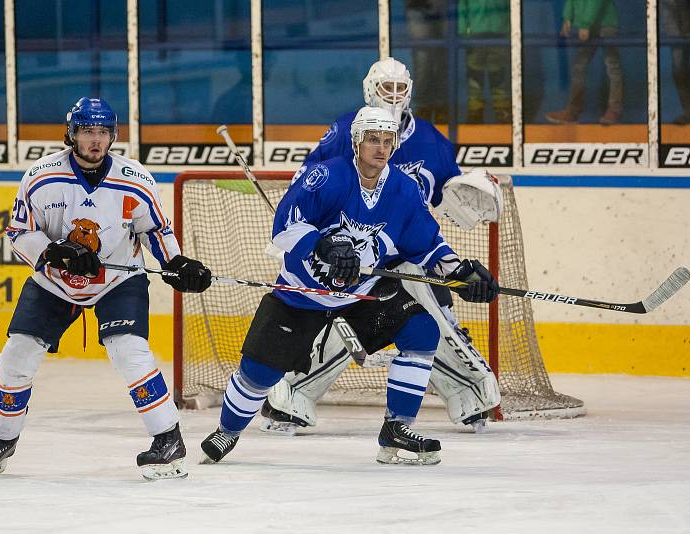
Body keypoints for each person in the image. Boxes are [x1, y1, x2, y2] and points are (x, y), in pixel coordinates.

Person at [199, 106, 500, 466]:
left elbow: (426, 244)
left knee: (421, 330)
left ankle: (397, 428)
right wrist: (321, 244)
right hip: (304, 294)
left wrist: (461, 272)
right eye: (373, 139)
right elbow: (284, 226)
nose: (381, 147)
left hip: (363, 294)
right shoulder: (326, 176)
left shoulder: (403, 190)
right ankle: (228, 431)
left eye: (388, 141)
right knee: (259, 373)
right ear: (356, 141)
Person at [0, 97, 212, 480]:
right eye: (87, 131)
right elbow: (17, 233)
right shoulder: (41, 176)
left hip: (118, 279)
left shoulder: (134, 179)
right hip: (54, 283)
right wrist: (52, 250)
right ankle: (3, 438)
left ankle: (168, 438)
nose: (95, 140)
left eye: (102, 132)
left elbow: (155, 230)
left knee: (129, 350)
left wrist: (176, 263)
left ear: (113, 136)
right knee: (16, 356)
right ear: (72, 134)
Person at [260, 57, 503, 435]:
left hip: (406, 250)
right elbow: (308, 181)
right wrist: (310, 240)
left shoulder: (431, 140)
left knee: (427, 316)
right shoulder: (347, 130)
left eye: (399, 89)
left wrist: (458, 268)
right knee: (351, 317)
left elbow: (445, 202)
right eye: (384, 89)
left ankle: (467, 392)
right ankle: (292, 391)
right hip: (347, 255)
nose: (392, 96)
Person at [545, 0, 623, 125]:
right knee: (579, 66)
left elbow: (595, 2)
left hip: (605, 24)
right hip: (588, 26)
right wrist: (567, 19)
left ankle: (614, 109)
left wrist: (585, 24)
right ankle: (573, 111)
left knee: (612, 65)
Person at [458, 0, 511, 123]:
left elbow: (511, 6)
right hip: (475, 34)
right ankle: (475, 110)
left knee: (498, 73)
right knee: (475, 74)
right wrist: (463, 31)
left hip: (499, 32)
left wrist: (509, 29)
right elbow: (462, 6)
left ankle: (501, 109)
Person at [661, 0, 690, 124]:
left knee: (681, 67)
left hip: (686, 23)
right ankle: (689, 112)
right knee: (678, 67)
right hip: (673, 26)